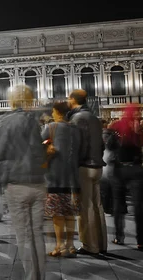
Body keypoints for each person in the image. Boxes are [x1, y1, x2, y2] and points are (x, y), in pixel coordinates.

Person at [0, 85, 47, 280]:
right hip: (38, 182)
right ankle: (40, 276)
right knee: (37, 233)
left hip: (16, 183)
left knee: (24, 235)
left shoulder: (4, 122)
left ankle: (32, 277)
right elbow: (38, 152)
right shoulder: (34, 121)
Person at [67, 89, 107, 255]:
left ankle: (90, 246)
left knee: (85, 207)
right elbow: (102, 145)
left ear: (73, 100)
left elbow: (76, 146)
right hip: (97, 166)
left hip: (84, 167)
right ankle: (101, 243)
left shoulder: (77, 118)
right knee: (97, 206)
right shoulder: (94, 118)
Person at [42, 102, 81, 258]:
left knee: (57, 213)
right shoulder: (76, 129)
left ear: (57, 112)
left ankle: (60, 245)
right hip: (73, 175)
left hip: (54, 175)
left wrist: (47, 146)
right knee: (70, 212)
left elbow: (38, 146)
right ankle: (71, 245)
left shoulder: (50, 127)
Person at [108, 104, 143, 250]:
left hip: (119, 169)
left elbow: (109, 146)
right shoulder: (139, 127)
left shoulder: (116, 126)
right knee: (139, 205)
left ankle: (119, 236)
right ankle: (141, 240)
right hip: (136, 168)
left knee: (118, 205)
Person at [100, 120, 119, 214]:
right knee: (111, 188)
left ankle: (106, 207)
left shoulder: (98, 135)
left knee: (104, 189)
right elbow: (117, 147)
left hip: (103, 160)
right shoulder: (113, 135)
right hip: (111, 161)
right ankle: (111, 207)